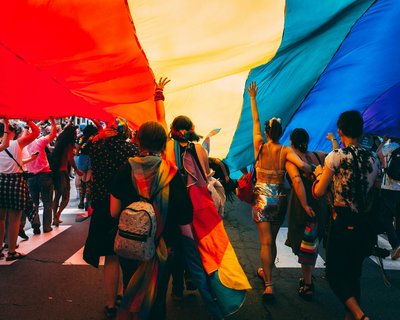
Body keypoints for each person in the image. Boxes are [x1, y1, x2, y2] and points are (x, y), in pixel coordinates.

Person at [110, 121, 194, 320]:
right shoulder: (171, 174)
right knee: (157, 295)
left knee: (131, 287)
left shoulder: (127, 168)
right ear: (164, 143)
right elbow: (184, 218)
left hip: (130, 244)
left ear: (138, 141)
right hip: (163, 247)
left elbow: (114, 212)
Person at [247, 82, 314, 301]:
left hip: (262, 197)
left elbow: (255, 121)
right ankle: (267, 274)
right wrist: (315, 170)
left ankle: (268, 284)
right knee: (272, 241)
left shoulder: (259, 145)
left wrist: (253, 98)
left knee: (264, 242)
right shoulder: (285, 150)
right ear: (282, 132)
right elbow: (302, 168)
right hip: (280, 198)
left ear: (267, 132)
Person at [313, 110, 380, 320]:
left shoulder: (336, 157)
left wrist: (317, 177)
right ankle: (351, 316)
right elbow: (376, 190)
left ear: (340, 131)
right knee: (354, 274)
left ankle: (360, 315)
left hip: (341, 223)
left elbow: (319, 192)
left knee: (334, 274)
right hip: (364, 224)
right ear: (361, 132)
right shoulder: (374, 158)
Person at [83, 117, 138, 319]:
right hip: (126, 206)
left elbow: (81, 148)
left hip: (103, 206)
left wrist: (97, 137)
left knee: (110, 256)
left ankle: (110, 304)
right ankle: (124, 294)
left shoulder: (96, 148)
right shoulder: (131, 150)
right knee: (128, 253)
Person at [285, 128, 330, 301]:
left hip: (302, 206)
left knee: (304, 244)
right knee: (311, 242)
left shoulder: (292, 161)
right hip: (319, 204)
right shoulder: (318, 156)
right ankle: (306, 278)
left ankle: (308, 284)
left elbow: (296, 181)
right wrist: (333, 140)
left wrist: (304, 205)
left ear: (292, 142)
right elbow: (334, 156)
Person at [0, 120, 39, 260]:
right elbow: (36, 132)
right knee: (14, 219)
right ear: (9, 131)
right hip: (15, 181)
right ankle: (11, 251)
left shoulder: (2, 146)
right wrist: (28, 119)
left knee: (1, 218)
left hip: (0, 181)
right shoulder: (16, 144)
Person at [24, 117, 57, 234]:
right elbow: (53, 134)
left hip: (31, 177)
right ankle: (47, 227)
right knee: (47, 202)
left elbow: (28, 131)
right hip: (44, 175)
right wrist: (52, 122)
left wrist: (32, 123)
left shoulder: (24, 144)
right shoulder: (40, 141)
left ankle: (35, 224)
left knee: (34, 203)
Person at [51, 122, 83, 226]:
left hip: (55, 171)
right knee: (66, 197)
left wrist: (70, 123)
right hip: (62, 172)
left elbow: (64, 130)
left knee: (57, 195)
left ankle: (54, 217)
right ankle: (58, 215)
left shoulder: (59, 141)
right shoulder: (69, 144)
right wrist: (77, 170)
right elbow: (70, 158)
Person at [377, 137, 400, 260]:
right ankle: (397, 247)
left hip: (389, 187)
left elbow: (378, 155)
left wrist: (383, 141)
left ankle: (396, 245)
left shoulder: (394, 145)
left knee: (385, 217)